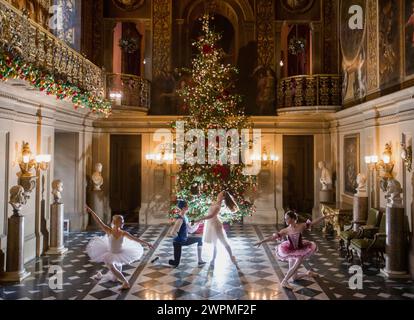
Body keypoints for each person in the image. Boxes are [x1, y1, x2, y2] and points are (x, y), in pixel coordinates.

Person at [255, 210, 333, 290]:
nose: (285, 220)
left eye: (287, 219)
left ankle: (284, 281)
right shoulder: (285, 230)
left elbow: (313, 223)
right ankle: (308, 273)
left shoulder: (301, 226)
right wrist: (262, 241)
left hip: (301, 250)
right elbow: (273, 237)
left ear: (292, 219)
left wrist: (324, 217)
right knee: (294, 277)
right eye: (285, 219)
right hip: (290, 251)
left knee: (296, 265)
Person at [85, 206, 154, 290]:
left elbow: (135, 239)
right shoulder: (109, 231)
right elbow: (99, 221)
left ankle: (102, 276)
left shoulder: (123, 233)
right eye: (121, 221)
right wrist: (91, 211)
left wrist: (146, 243)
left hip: (120, 254)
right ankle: (126, 283)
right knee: (112, 268)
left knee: (114, 278)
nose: (123, 223)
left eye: (123, 221)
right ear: (115, 222)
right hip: (110, 254)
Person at [192, 191, 238, 264]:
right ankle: (213, 259)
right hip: (210, 223)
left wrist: (200, 219)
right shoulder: (215, 202)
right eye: (219, 193)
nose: (218, 194)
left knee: (223, 241)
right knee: (215, 243)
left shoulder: (218, 205)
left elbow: (211, 215)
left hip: (215, 225)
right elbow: (209, 213)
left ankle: (232, 257)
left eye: (220, 194)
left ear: (223, 197)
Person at [168, 200, 206, 268]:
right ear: (183, 208)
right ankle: (171, 261)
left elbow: (190, 230)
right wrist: (179, 238)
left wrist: (198, 223)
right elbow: (172, 232)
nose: (188, 208)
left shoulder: (184, 217)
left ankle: (200, 260)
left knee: (200, 239)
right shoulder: (180, 219)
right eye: (187, 206)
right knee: (175, 263)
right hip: (179, 242)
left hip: (182, 240)